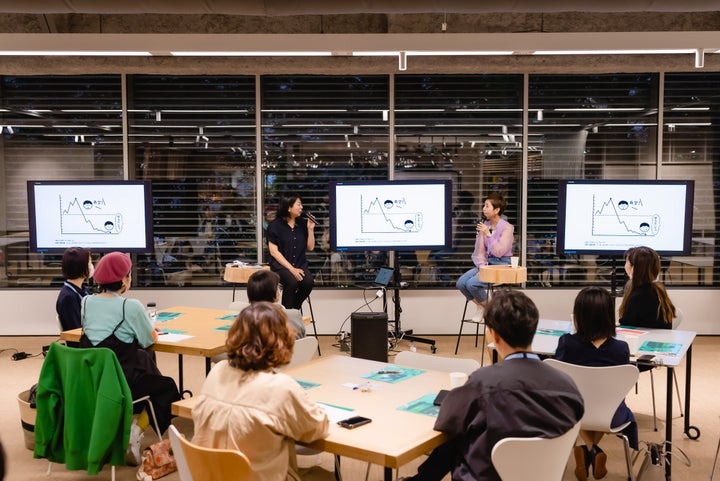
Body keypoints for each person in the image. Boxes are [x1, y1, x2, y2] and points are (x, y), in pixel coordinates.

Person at [405, 290, 584, 481]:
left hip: (487, 475)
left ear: (494, 336)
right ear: (533, 330)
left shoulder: (483, 382)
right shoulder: (567, 384)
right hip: (544, 475)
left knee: (460, 436)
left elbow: (446, 421)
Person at [192, 302, 330, 481]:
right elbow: (315, 429)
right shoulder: (280, 388)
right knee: (323, 476)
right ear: (282, 341)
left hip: (211, 475)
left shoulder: (217, 371)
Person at [79, 251, 180, 464]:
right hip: (123, 384)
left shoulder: (86, 302)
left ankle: (119, 428)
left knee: (145, 362)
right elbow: (146, 339)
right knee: (167, 386)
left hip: (93, 381)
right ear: (125, 279)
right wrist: (151, 328)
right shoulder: (130, 306)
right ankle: (135, 432)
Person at [555, 286, 639, 481]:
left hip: (573, 414)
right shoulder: (620, 348)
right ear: (609, 316)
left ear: (578, 315)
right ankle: (592, 450)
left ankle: (589, 450)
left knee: (578, 403)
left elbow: (559, 380)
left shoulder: (567, 343)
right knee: (603, 404)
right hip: (610, 415)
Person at [456, 192, 514, 320]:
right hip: (487, 264)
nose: (483, 208)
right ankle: (485, 307)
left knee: (472, 284)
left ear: (497, 210)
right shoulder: (485, 225)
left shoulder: (507, 228)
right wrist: (482, 266)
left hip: (502, 265)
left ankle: (487, 309)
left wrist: (489, 234)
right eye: (484, 205)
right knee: (461, 283)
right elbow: (479, 250)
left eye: (487, 206)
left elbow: (499, 251)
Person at [266, 192, 316, 310]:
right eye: (298, 204)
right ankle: (287, 314)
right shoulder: (275, 226)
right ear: (289, 207)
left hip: (299, 265)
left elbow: (310, 247)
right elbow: (274, 252)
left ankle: (295, 307)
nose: (301, 207)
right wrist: (291, 269)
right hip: (281, 267)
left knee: (308, 282)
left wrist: (310, 229)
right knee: (292, 282)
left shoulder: (303, 224)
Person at [619, 246, 676, 330]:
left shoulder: (639, 295)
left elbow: (626, 326)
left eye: (626, 262)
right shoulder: (656, 288)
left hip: (644, 340)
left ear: (634, 268)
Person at [247, 269, 306, 339]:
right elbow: (304, 344)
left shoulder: (244, 319)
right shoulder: (294, 315)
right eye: (278, 286)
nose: (279, 289)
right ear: (274, 293)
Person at [55, 247, 94, 334]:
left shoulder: (83, 290)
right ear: (81, 267)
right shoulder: (68, 298)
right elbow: (75, 331)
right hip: (84, 344)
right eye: (90, 263)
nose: (92, 266)